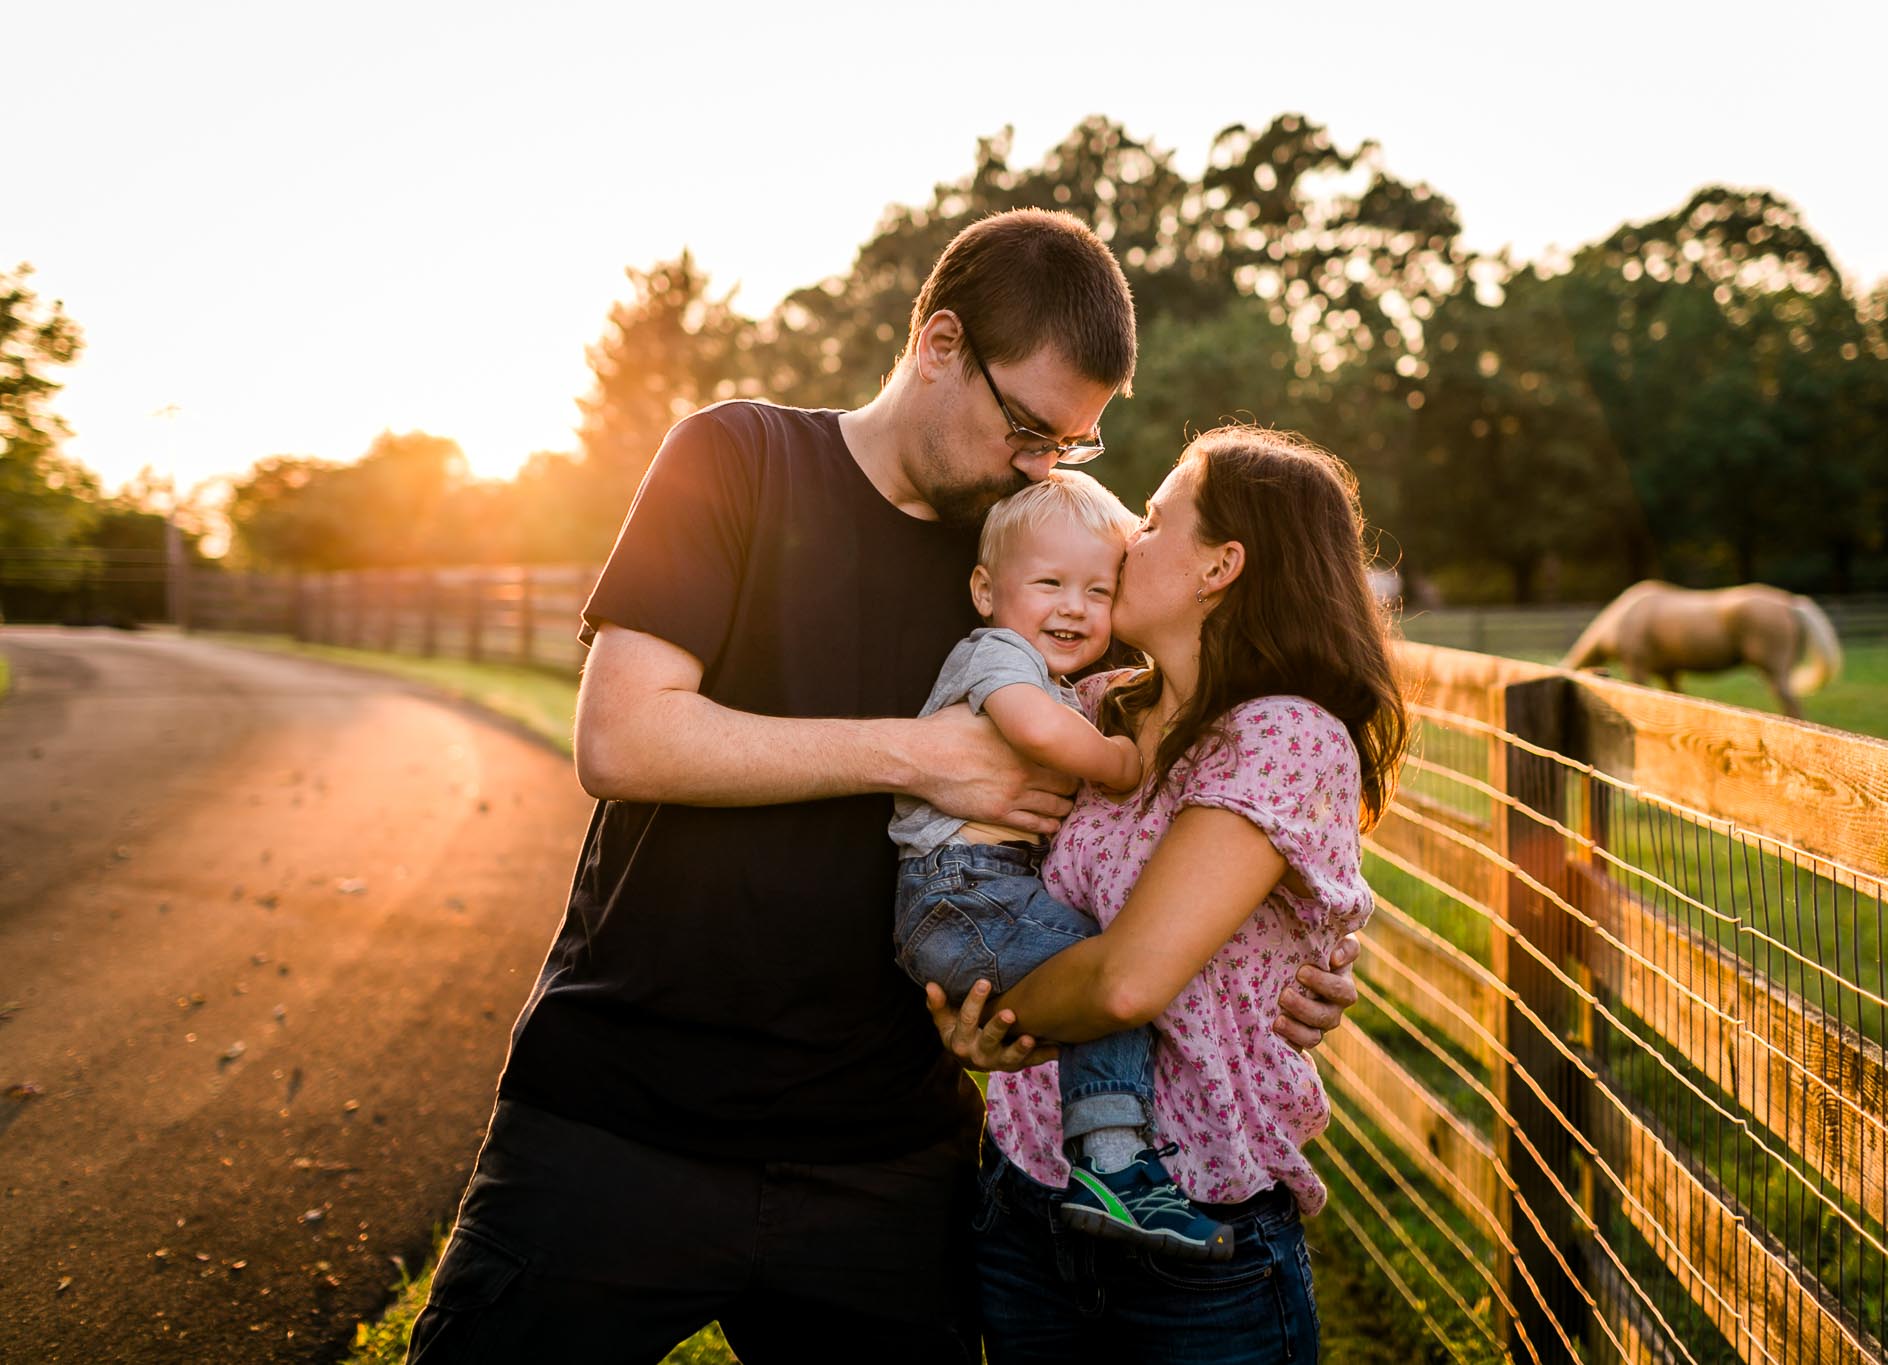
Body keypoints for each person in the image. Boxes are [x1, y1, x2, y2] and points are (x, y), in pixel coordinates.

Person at [405, 209, 1361, 1365]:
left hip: (886, 1156)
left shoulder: (1032, 558)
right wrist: (912, 753)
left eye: (1067, 445)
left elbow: (1187, 779)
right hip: (620, 1113)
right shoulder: (739, 456)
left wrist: (1287, 967)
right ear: (941, 344)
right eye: (1024, 426)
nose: (1038, 463)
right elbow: (619, 739)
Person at [933, 426, 1408, 1362]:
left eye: (1152, 522)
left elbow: (1125, 984)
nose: (1123, 540)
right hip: (1028, 1207)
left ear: (1220, 567)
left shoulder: (1285, 734)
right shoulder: (1097, 706)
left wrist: (979, 1013)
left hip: (1196, 1243)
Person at [889, 472, 1232, 1263]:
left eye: (1096, 589)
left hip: (978, 895)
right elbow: (1034, 730)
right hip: (960, 892)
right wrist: (1117, 761)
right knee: (1106, 984)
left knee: (1104, 978)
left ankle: (1110, 1164)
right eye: (1049, 584)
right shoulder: (996, 654)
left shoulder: (1071, 680)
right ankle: (1113, 1165)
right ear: (985, 590)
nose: (1074, 607)